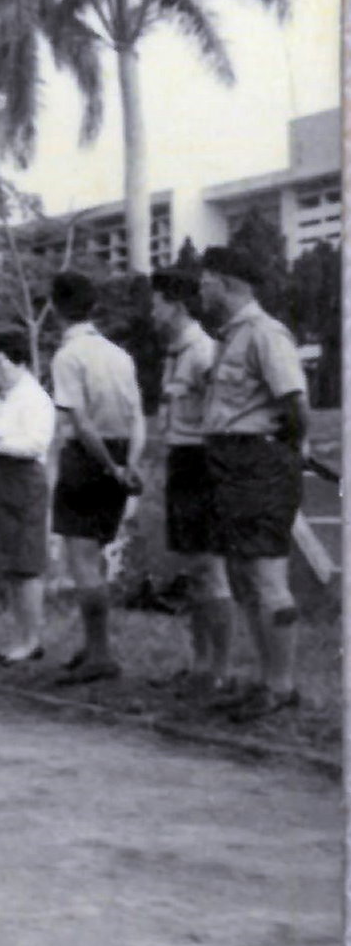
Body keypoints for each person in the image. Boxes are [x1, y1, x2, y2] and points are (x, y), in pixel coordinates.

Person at [196, 245, 310, 723]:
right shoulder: (230, 337)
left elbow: (296, 406)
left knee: (266, 578)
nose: (200, 290)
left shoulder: (265, 334)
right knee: (242, 575)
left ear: (226, 284)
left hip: (259, 463)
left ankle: (282, 686)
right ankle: (265, 681)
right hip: (232, 463)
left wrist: (277, 452)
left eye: (205, 282)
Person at [45, 271, 146, 686]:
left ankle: (100, 652)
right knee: (96, 556)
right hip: (122, 451)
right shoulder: (119, 354)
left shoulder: (67, 356)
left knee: (83, 559)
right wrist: (130, 464)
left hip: (90, 458)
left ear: (54, 309)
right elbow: (139, 416)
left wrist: (107, 465)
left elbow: (81, 421)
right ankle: (93, 646)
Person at [149, 266, 232, 696]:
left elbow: (221, 416)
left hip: (204, 464)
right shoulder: (174, 354)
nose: (152, 313)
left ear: (176, 306)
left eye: (156, 304)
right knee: (194, 571)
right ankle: (200, 665)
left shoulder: (203, 353)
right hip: (182, 462)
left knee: (209, 569)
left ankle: (218, 670)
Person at [0, 329, 56, 663]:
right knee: (10, 560)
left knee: (26, 561)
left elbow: (35, 444)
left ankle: (31, 639)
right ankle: (21, 636)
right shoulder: (3, 399)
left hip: (22, 477)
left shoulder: (33, 398)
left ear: (19, 361)